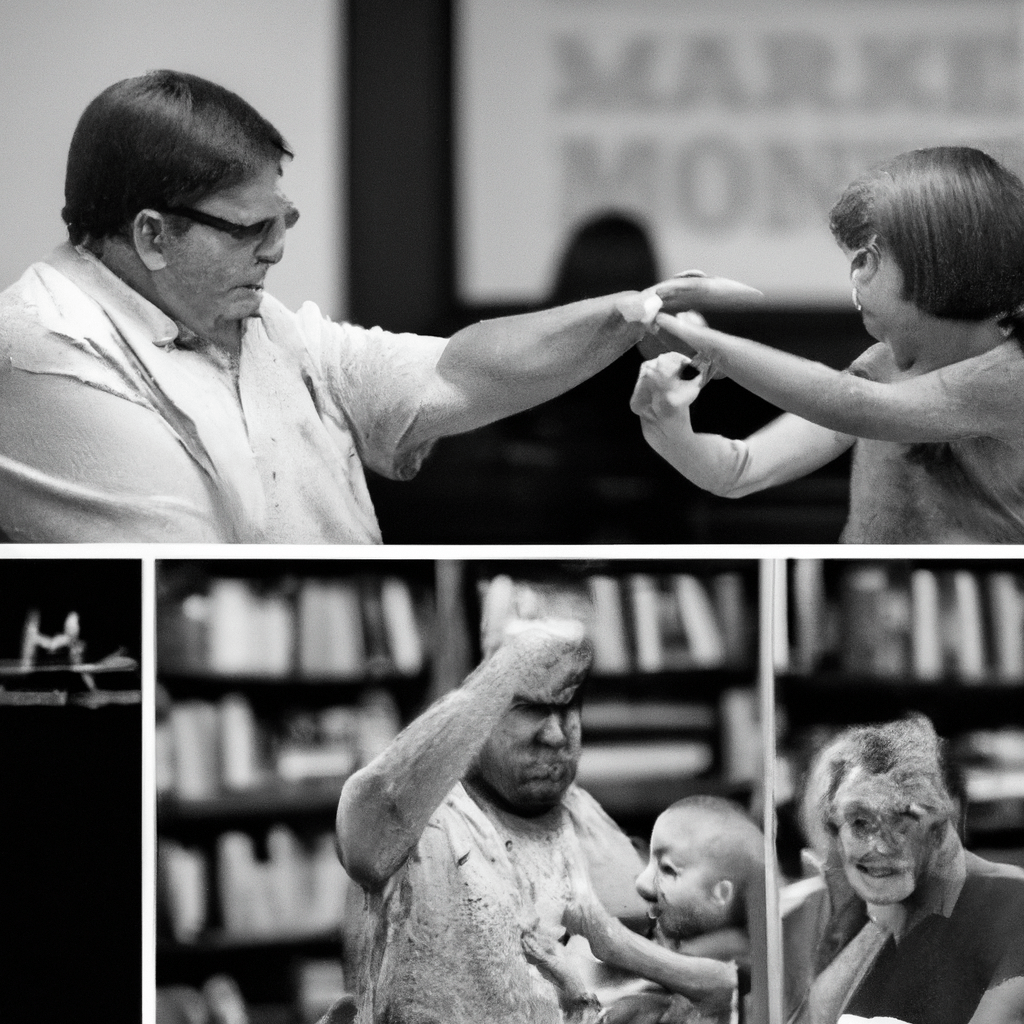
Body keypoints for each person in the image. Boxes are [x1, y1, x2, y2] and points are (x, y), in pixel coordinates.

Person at [0, 71, 759, 544]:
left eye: (284, 221)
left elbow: (459, 373)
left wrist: (633, 308)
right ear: (152, 236)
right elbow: (185, 561)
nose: (277, 250)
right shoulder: (39, 348)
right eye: (250, 229)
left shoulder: (261, 321)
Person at [333, 582, 737, 1024]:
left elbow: (642, 960)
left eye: (569, 705)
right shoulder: (431, 818)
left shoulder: (582, 816)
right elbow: (363, 841)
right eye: (526, 706)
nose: (556, 735)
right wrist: (508, 667)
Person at [630, 146, 1024, 543]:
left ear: (942, 259)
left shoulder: (1012, 372)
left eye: (870, 255)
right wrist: (667, 418)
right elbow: (737, 470)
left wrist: (705, 342)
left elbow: (849, 404)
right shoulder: (881, 365)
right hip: (871, 598)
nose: (855, 274)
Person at [783, 715, 1024, 1024]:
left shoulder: (1009, 907)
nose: (879, 845)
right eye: (858, 821)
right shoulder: (860, 911)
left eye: (899, 818)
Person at [599, 796, 766, 1024]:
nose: (643, 884)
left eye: (668, 870)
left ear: (721, 893)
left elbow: (708, 980)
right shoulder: (694, 946)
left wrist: (604, 934)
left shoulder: (727, 953)